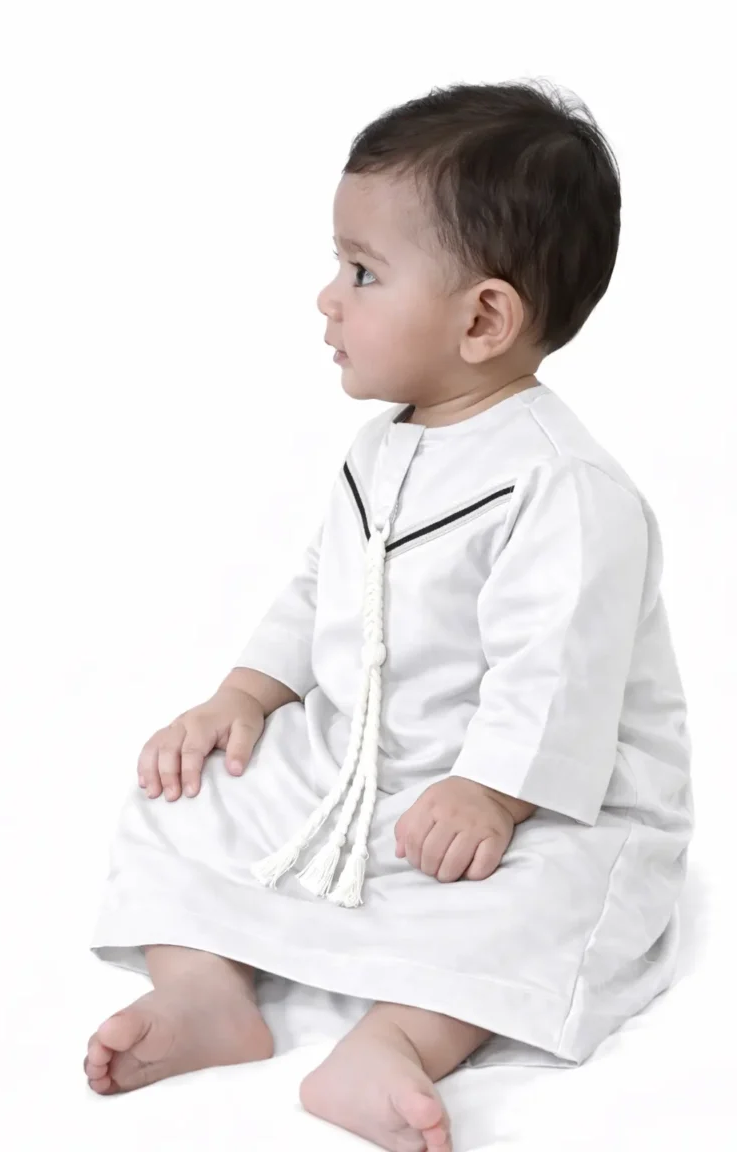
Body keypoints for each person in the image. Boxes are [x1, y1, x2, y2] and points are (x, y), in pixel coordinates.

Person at [84, 79, 693, 1152]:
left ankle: (401, 1038)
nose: (329, 298)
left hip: (522, 800)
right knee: (184, 791)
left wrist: (492, 791)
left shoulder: (564, 487)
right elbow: (320, 588)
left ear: (483, 319)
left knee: (554, 899)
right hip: (364, 768)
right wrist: (245, 695)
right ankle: (204, 989)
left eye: (362, 272)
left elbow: (557, 673)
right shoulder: (381, 447)